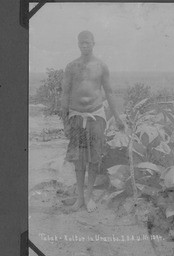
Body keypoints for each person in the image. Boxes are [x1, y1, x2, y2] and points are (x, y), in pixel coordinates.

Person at [60, 30, 124, 213]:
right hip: (76, 116)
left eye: (87, 42)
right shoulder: (71, 66)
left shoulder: (101, 66)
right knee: (78, 160)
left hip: (96, 115)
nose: (84, 45)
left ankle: (89, 197)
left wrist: (118, 117)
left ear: (93, 43)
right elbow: (64, 94)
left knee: (94, 158)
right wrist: (65, 122)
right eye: (81, 43)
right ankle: (79, 198)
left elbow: (109, 92)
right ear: (78, 44)